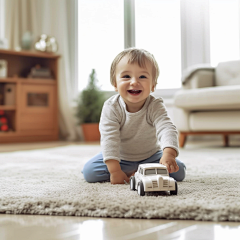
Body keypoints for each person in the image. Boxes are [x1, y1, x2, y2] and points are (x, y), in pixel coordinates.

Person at [82, 48, 186, 184]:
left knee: (179, 171)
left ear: (153, 85)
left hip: (151, 157)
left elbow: (166, 128)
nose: (134, 82)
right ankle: (131, 172)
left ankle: (138, 172)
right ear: (115, 83)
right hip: (119, 158)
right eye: (126, 76)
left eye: (142, 77)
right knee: (90, 172)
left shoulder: (155, 105)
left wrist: (168, 155)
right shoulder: (111, 107)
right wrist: (114, 171)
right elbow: (109, 139)